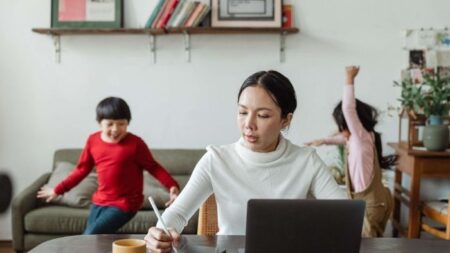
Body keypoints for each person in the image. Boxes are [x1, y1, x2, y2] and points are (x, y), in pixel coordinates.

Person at [144, 70, 347, 252]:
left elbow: (345, 216)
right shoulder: (217, 160)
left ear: (286, 119)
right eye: (242, 112)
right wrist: (160, 233)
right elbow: (178, 213)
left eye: (263, 115)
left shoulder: (306, 161)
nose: (248, 124)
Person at [37, 97, 180, 234]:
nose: (115, 129)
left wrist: (172, 186)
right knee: (93, 241)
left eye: (121, 124)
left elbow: (153, 167)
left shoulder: (136, 144)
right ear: (100, 123)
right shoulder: (93, 141)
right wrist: (58, 190)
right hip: (100, 201)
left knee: (90, 235)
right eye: (110, 124)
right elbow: (81, 170)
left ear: (128, 123)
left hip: (126, 203)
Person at [305, 66, 396, 237]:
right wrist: (323, 141)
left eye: (340, 125)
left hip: (370, 204)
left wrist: (349, 79)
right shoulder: (362, 138)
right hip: (374, 201)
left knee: (367, 245)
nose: (339, 130)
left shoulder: (360, 135)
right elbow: (341, 138)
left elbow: (348, 108)